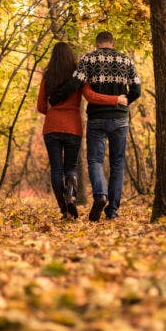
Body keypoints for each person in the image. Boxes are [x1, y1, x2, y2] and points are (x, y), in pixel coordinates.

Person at [49, 31, 141, 221]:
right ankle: (112, 210)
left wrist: (56, 98)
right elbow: (137, 90)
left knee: (95, 161)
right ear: (112, 42)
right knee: (117, 163)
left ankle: (100, 195)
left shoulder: (89, 59)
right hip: (120, 119)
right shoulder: (126, 60)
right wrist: (124, 101)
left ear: (97, 43)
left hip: (97, 118)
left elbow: (75, 83)